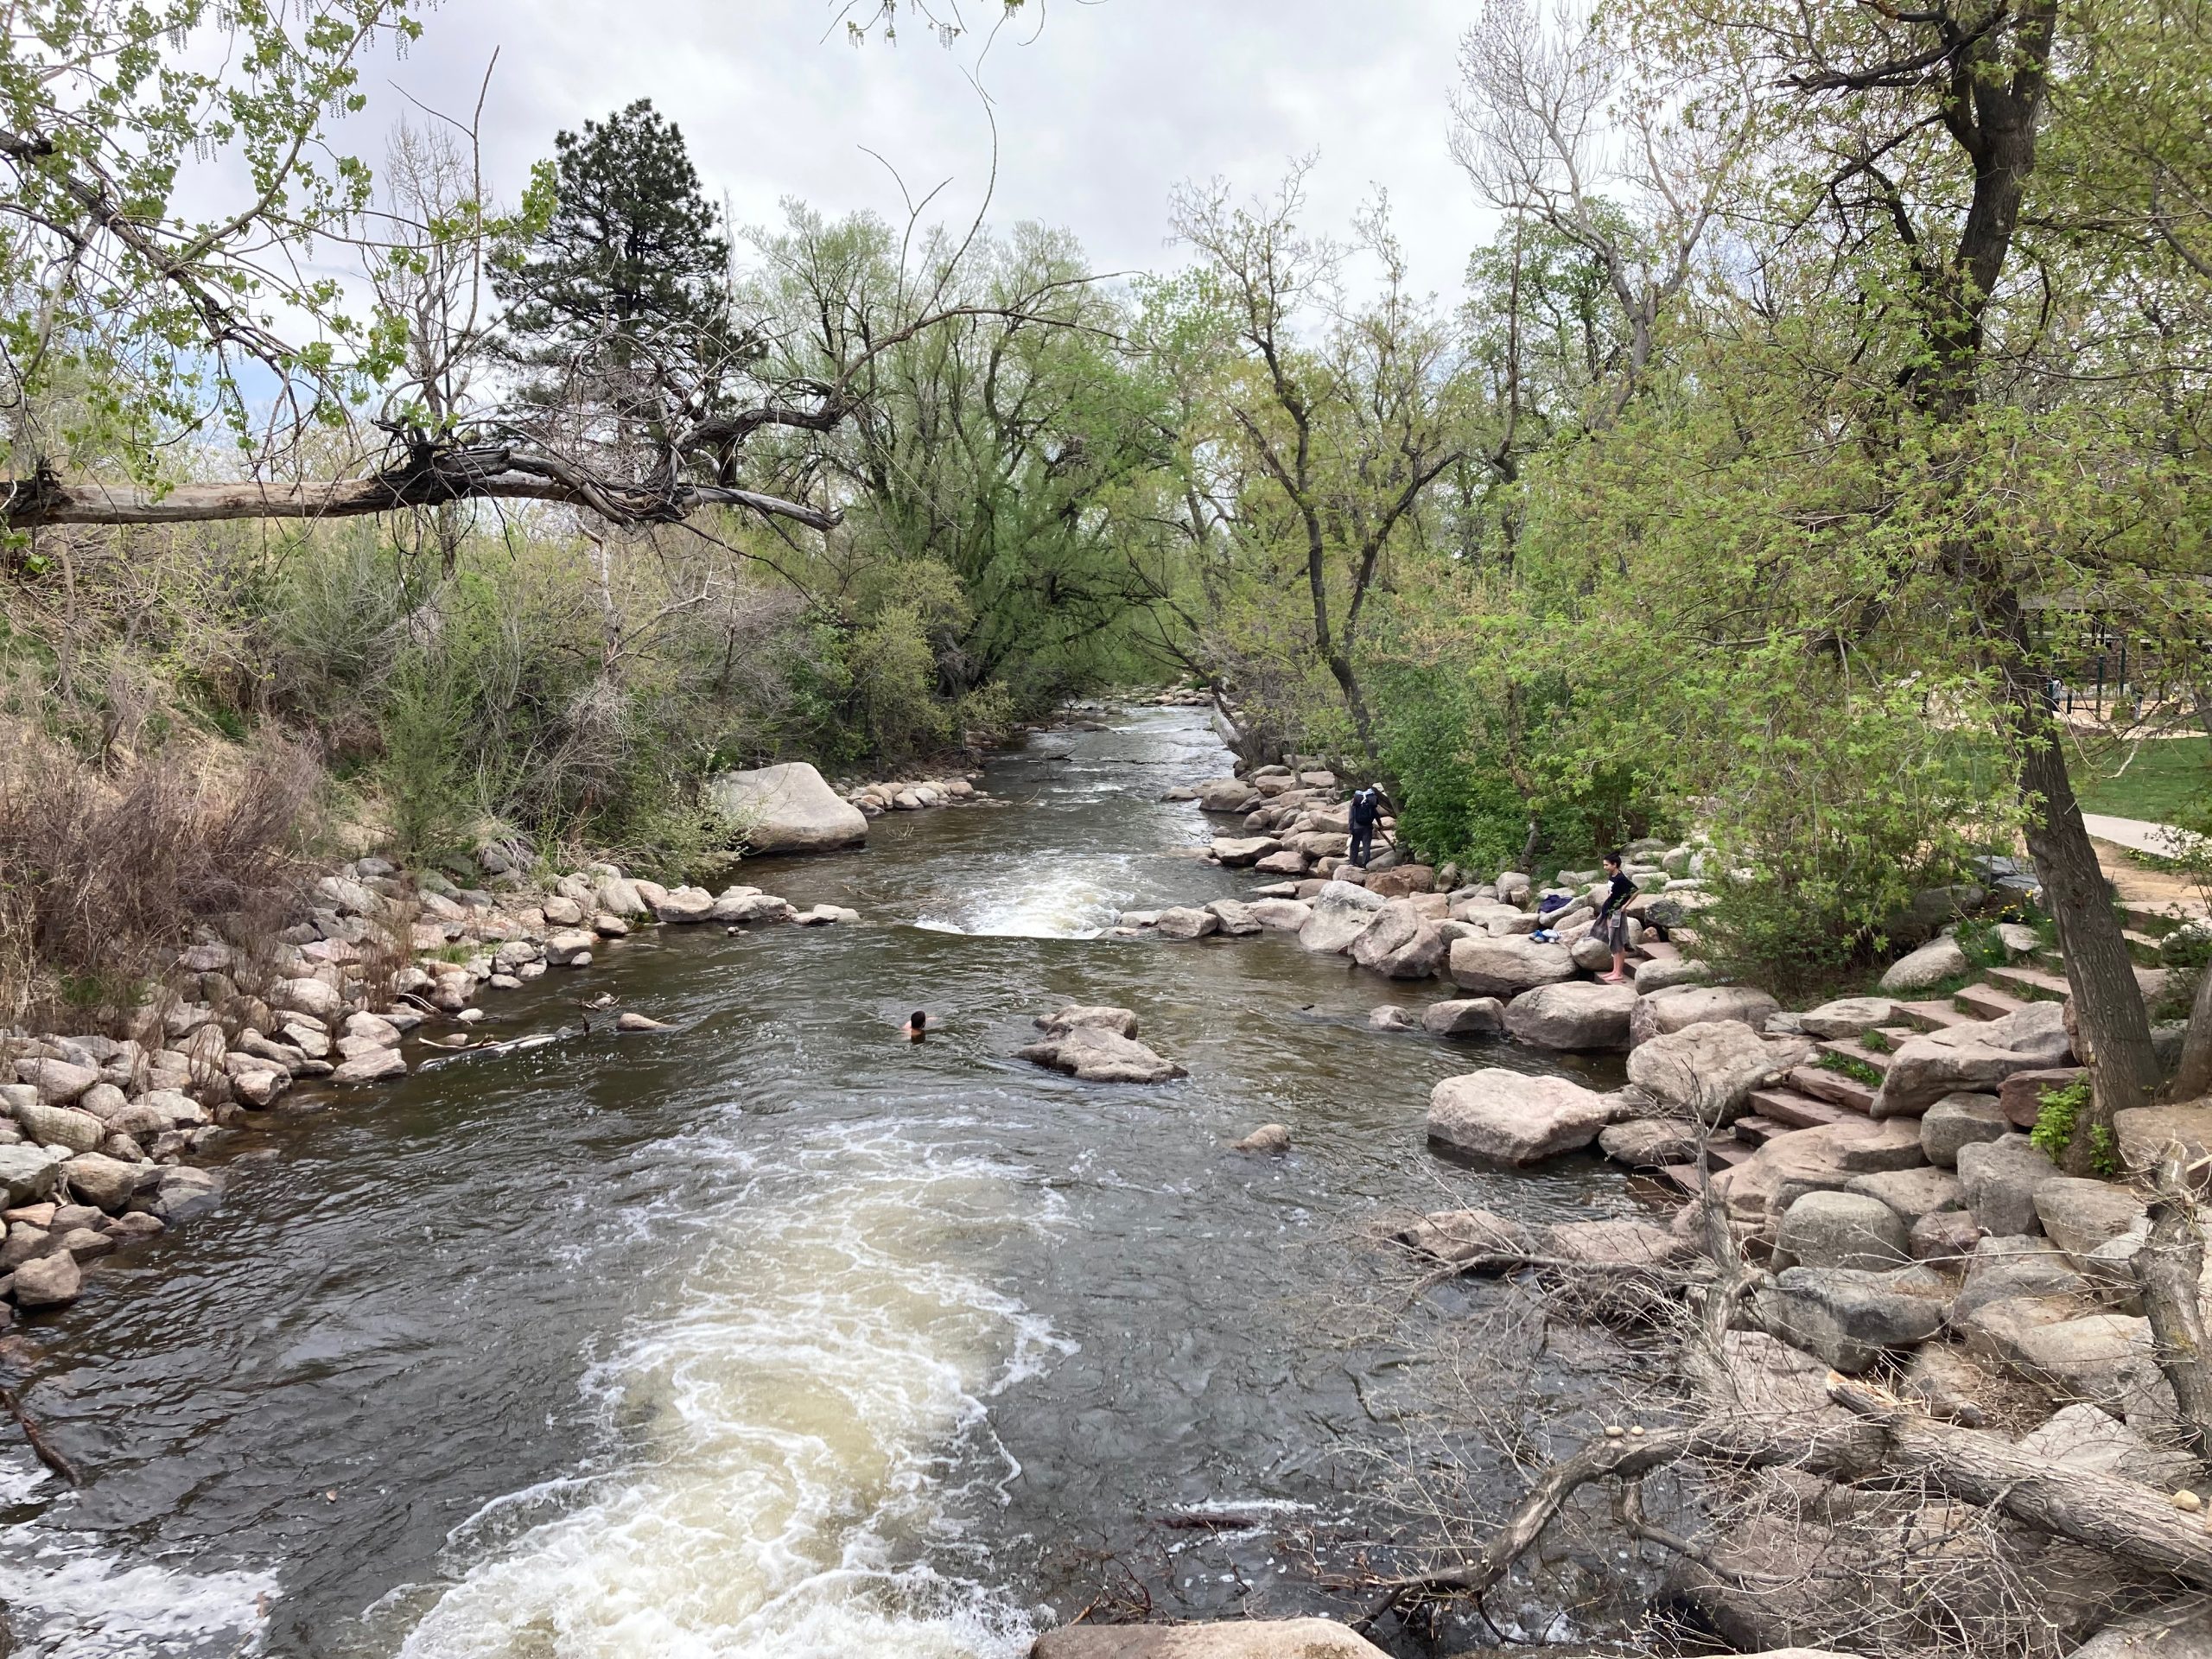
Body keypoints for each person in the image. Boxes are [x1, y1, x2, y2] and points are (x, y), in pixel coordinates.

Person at [1594, 850, 1636, 983]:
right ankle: (1614, 970)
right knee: (1612, 940)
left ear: (1614, 864)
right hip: (1609, 910)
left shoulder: (1621, 879)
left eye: (1606, 865)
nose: (1605, 867)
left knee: (1618, 942)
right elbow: (1612, 892)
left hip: (1617, 912)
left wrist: (1625, 905)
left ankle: (1618, 973)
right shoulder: (1612, 876)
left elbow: (1636, 891)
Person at [1347, 783, 1389, 868]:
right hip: (1367, 828)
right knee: (1366, 846)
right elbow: (1376, 815)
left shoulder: (1354, 803)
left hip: (1356, 828)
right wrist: (1380, 824)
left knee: (1354, 845)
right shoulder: (1369, 802)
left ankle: (1352, 862)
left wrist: (1350, 830)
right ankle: (1365, 864)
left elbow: (1351, 817)